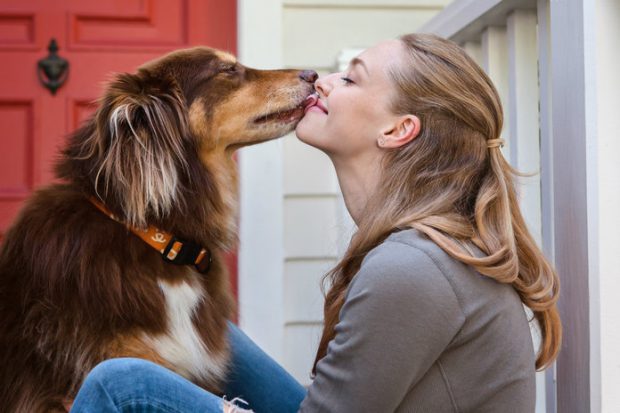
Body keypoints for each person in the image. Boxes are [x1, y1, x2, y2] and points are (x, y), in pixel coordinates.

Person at [70, 33, 562, 413]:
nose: (321, 80)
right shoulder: (418, 252)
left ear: (397, 130)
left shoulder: (414, 268)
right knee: (215, 332)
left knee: (123, 386)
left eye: (350, 79)